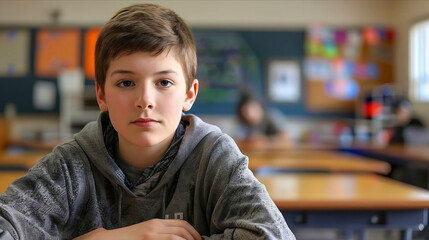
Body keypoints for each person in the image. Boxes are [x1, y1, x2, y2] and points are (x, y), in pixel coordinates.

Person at [0, 3, 295, 240]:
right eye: (126, 83)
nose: (145, 100)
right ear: (101, 95)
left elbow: (272, 235)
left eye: (164, 82)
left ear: (189, 95)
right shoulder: (70, 165)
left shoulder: (213, 156)